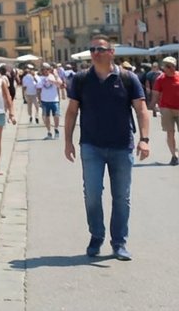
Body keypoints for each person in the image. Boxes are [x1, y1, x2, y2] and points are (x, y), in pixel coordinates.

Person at [64, 35, 149, 261]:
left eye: (100, 49)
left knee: (121, 197)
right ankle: (96, 236)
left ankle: (119, 242)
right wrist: (67, 141)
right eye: (92, 49)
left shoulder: (128, 78)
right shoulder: (81, 79)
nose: (95, 53)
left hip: (122, 146)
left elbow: (141, 110)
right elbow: (72, 111)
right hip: (91, 145)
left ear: (112, 52)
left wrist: (145, 139)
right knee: (92, 194)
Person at [154, 56, 179, 165]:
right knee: (170, 133)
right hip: (166, 108)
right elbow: (156, 94)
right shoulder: (160, 79)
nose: (169, 68)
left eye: (171, 66)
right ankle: (174, 156)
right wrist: (153, 106)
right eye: (167, 66)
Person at [38, 63, 65, 139]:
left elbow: (60, 84)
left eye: (47, 69)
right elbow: (38, 88)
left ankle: (56, 129)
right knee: (46, 117)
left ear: (50, 70)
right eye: (43, 69)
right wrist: (39, 100)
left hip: (54, 100)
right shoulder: (40, 78)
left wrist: (54, 79)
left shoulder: (54, 76)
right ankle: (49, 132)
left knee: (56, 115)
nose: (45, 71)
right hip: (44, 100)